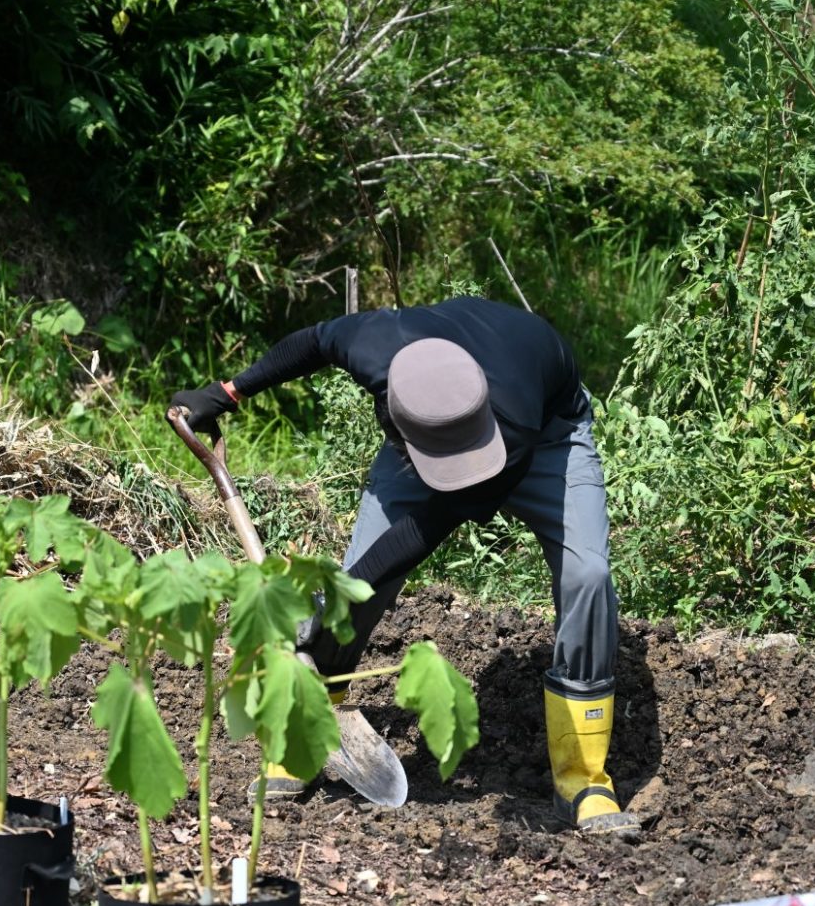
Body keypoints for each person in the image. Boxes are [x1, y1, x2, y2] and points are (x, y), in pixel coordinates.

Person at [170, 295, 638, 836]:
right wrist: (227, 393)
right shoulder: (376, 345)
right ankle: (310, 729)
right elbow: (315, 340)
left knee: (588, 576)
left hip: (546, 437)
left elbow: (422, 532)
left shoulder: (516, 406)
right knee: (359, 580)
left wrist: (324, 605)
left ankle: (583, 775)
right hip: (423, 432)